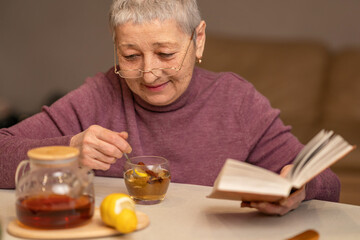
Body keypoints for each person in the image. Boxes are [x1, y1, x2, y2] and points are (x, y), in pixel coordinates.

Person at [0, 0, 340, 215]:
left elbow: (328, 183)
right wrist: (69, 148)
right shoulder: (99, 95)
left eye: (165, 54)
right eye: (130, 56)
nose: (148, 73)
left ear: (199, 40)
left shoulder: (237, 101)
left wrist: (299, 190)